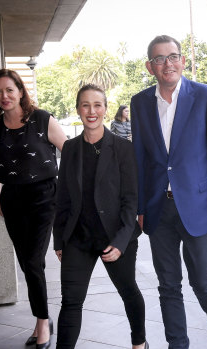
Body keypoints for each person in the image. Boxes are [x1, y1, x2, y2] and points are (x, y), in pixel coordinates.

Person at [130, 35, 207, 349]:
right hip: (157, 208)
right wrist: (139, 207)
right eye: (160, 58)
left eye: (173, 56)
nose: (168, 64)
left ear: (182, 61)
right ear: (151, 66)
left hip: (199, 206)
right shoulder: (139, 103)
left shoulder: (205, 96)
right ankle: (178, 344)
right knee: (168, 286)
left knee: (201, 281)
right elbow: (139, 159)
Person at [53, 85, 147, 349]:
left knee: (128, 291)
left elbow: (131, 201)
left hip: (115, 236)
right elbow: (62, 198)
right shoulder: (70, 148)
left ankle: (139, 343)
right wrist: (59, 239)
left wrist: (120, 242)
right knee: (70, 302)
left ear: (105, 109)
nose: (91, 111)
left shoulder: (123, 149)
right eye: (85, 105)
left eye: (97, 105)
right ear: (78, 110)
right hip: (78, 238)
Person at [0, 68, 68, 349]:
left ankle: (42, 322)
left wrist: (69, 192)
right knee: (29, 263)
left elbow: (69, 151)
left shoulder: (42, 119)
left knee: (32, 261)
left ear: (20, 91)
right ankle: (43, 317)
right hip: (13, 199)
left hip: (44, 197)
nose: (4, 96)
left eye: (9, 89)